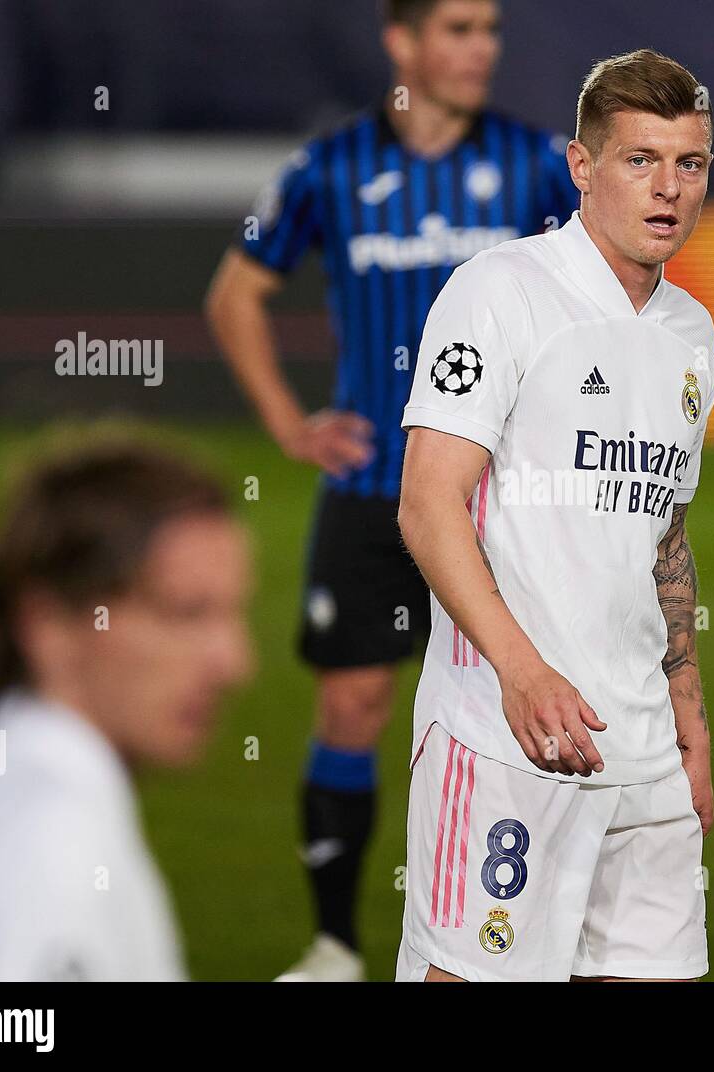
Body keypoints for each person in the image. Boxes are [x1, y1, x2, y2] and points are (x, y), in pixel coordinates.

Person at [203, 0, 578, 981]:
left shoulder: (540, 165)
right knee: (355, 705)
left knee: (524, 712)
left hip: (506, 501)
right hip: (374, 491)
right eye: (457, 29)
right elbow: (235, 291)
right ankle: (333, 945)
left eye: (490, 30)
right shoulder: (326, 168)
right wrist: (288, 423)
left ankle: (528, 939)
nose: (480, 49)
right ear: (401, 41)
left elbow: (595, 297)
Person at [395, 48, 714, 981]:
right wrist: (522, 671)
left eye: (689, 164)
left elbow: (663, 541)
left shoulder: (692, 335)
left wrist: (689, 730)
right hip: (505, 741)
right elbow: (427, 503)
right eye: (639, 160)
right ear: (581, 166)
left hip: (644, 756)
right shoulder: (501, 291)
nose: (668, 189)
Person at [0, 436, 254, 981]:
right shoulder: (47, 843)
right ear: (49, 625)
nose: (234, 663)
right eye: (185, 613)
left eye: (230, 615)